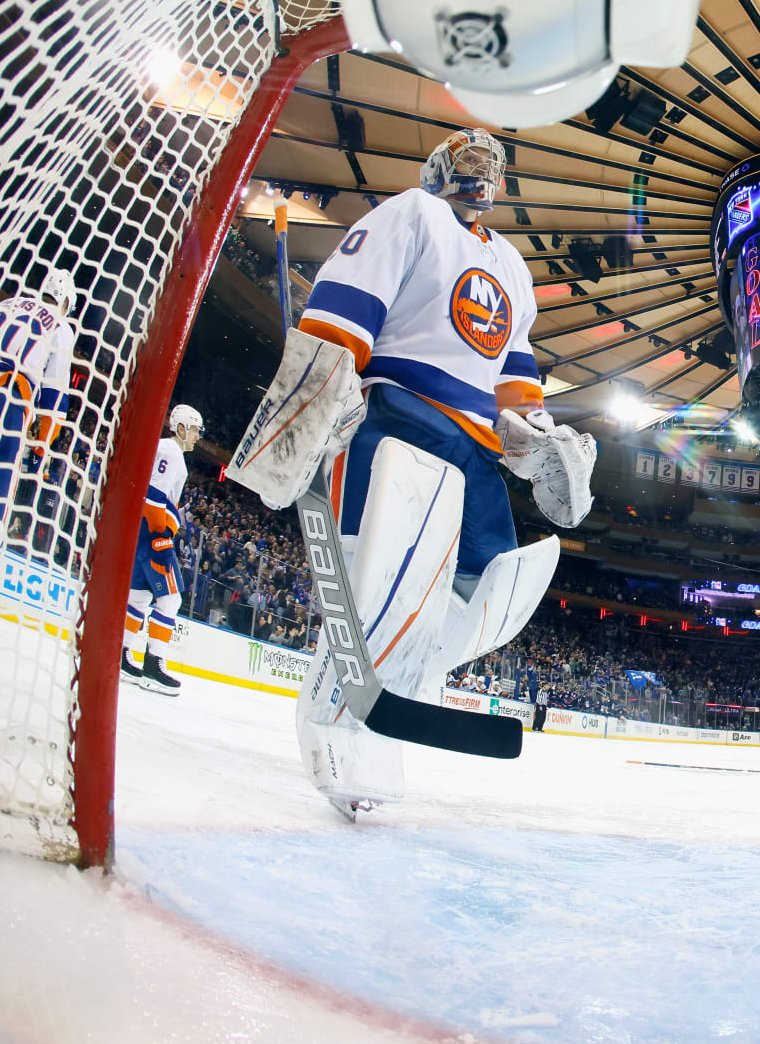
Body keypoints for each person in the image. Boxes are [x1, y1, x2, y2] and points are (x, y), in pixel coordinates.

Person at [228, 127, 594, 816]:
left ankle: (402, 680)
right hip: (394, 416)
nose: (478, 171)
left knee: (492, 586)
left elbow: (514, 381)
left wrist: (539, 442)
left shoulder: (513, 266)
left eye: (490, 164)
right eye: (467, 158)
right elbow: (345, 310)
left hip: (475, 447)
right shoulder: (409, 213)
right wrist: (320, 394)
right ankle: (336, 707)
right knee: (382, 582)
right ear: (439, 165)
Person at [0, 269, 76, 657]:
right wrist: (40, 446)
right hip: (7, 407)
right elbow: (54, 392)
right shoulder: (61, 328)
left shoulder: (4, 304)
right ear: (65, 301)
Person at [120, 404, 203, 696]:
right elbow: (154, 496)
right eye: (194, 429)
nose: (197, 436)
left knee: (140, 596)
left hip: (144, 531)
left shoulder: (167, 450)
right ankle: (154, 664)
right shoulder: (171, 452)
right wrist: (159, 537)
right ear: (181, 427)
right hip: (153, 533)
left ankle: (123, 655)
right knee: (171, 599)